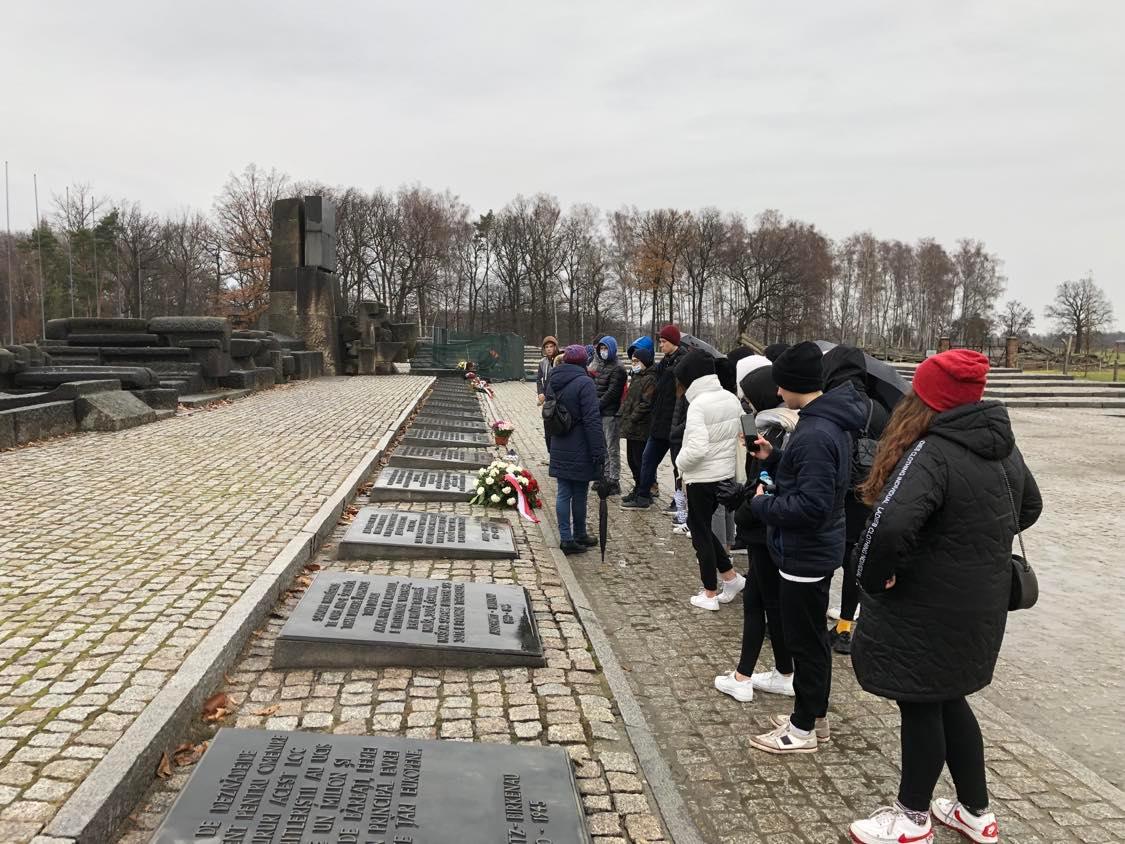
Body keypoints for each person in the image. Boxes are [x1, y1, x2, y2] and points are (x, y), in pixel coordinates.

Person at [847, 349, 1042, 844]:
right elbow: (1030, 507)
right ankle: (975, 810)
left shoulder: (932, 451)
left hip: (926, 604)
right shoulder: (1002, 447)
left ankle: (911, 818)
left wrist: (873, 578)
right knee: (950, 698)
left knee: (919, 702)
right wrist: (972, 542)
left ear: (928, 398)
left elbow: (889, 526)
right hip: (980, 601)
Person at [745, 341, 867, 755]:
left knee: (805, 642)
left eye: (782, 385)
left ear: (796, 384)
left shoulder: (816, 432)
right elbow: (816, 479)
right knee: (810, 638)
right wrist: (775, 456)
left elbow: (811, 505)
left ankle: (802, 730)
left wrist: (762, 506)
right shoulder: (823, 422)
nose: (778, 393)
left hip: (805, 552)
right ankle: (814, 715)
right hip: (811, 549)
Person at [714, 362, 800, 702]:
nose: (746, 403)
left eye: (749, 397)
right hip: (764, 525)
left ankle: (743, 677)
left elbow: (765, 482)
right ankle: (783, 672)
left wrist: (743, 501)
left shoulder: (777, 428)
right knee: (762, 599)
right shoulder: (769, 425)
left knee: (760, 602)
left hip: (763, 526)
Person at [821, 345, 889, 655]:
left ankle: (814, 619)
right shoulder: (879, 409)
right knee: (853, 562)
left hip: (833, 494)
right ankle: (845, 627)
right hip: (866, 494)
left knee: (823, 560)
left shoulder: (829, 404)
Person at [673, 350, 746, 609]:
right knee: (703, 529)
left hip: (701, 478)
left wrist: (679, 464)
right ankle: (730, 577)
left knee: (700, 535)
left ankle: (709, 592)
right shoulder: (730, 398)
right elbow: (744, 431)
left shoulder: (698, 405)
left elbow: (696, 449)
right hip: (724, 476)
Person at [546, 345, 608, 555]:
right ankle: (577, 534)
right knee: (580, 492)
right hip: (580, 444)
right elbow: (592, 420)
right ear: (583, 361)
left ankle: (567, 537)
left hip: (559, 441)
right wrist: (598, 451)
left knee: (563, 492)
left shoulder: (554, 379)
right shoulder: (585, 382)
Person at [622, 324, 686, 510]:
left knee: (678, 466)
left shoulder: (682, 362)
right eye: (660, 341)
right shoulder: (664, 363)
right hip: (659, 421)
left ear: (673, 342)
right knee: (647, 459)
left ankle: (679, 502)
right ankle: (643, 496)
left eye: (664, 341)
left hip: (674, 421)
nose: (661, 345)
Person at [620, 338, 656, 496]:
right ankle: (637, 486)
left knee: (640, 461)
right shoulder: (636, 377)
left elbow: (646, 403)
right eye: (632, 361)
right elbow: (629, 399)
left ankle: (643, 491)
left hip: (641, 427)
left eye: (636, 361)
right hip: (632, 427)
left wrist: (632, 417)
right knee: (632, 460)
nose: (633, 364)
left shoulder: (650, 378)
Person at [593, 336, 626, 496]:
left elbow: (612, 392)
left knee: (612, 448)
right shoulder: (602, 364)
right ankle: (605, 476)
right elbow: (597, 386)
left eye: (605, 348)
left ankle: (614, 480)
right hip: (600, 411)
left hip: (610, 413)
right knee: (603, 447)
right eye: (601, 348)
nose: (603, 351)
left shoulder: (618, 368)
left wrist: (597, 405)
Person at [536, 336, 558, 405]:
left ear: (555, 347)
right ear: (544, 349)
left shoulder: (560, 360)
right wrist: (540, 393)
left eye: (551, 346)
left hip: (558, 395)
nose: (549, 349)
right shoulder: (542, 362)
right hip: (547, 396)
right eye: (546, 347)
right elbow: (538, 379)